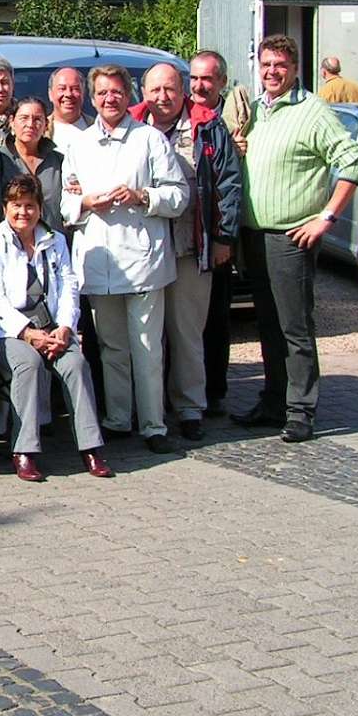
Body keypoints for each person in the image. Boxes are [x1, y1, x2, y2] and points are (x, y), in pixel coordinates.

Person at [230, 35, 358, 443]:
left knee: (294, 327)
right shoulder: (256, 110)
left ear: (295, 68)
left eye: (280, 65)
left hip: (291, 238)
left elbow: (353, 161)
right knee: (268, 325)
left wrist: (326, 217)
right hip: (255, 235)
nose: (272, 72)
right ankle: (274, 401)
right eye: (266, 65)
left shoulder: (313, 111)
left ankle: (301, 410)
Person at [61, 64, 189, 453]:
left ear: (129, 95)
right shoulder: (79, 143)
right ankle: (118, 418)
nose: (109, 99)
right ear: (92, 97)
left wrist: (142, 196)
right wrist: (85, 202)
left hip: (143, 260)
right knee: (111, 347)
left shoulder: (149, 139)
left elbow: (179, 195)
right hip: (99, 261)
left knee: (147, 348)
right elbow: (66, 203)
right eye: (102, 92)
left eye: (116, 92)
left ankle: (153, 425)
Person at [0, 174, 113, 481]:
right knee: (29, 365)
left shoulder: (56, 240)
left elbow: (68, 286)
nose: (23, 212)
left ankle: (91, 448)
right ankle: (24, 450)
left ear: (39, 208)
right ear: (5, 208)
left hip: (52, 327)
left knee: (76, 364)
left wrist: (65, 327)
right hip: (8, 330)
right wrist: (26, 333)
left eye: (30, 206)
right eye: (16, 205)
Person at [130, 63, 242, 441]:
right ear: (143, 92)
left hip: (190, 246)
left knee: (187, 333)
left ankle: (190, 408)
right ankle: (149, 408)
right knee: (147, 336)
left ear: (183, 91)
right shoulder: (131, 126)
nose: (162, 97)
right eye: (155, 89)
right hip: (143, 251)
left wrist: (224, 237)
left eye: (170, 89)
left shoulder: (207, 126)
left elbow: (228, 184)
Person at [189, 51, 239, 417]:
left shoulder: (232, 121)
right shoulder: (180, 115)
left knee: (215, 319)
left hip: (213, 236)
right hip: (181, 238)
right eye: (193, 78)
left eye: (206, 79)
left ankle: (214, 391)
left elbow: (230, 185)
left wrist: (224, 238)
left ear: (222, 81)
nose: (199, 86)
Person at [0, 97, 63, 240]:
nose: (30, 124)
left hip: (53, 244)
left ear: (46, 124)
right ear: (12, 122)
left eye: (37, 119)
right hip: (8, 244)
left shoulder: (59, 162)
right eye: (24, 118)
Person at [48, 67, 92, 154]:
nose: (68, 94)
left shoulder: (98, 129)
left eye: (75, 88)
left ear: (83, 93)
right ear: (50, 94)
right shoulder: (39, 131)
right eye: (62, 88)